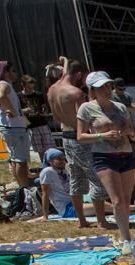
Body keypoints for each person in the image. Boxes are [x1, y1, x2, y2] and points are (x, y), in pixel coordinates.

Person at [77, 71, 135, 255]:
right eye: (102, 87)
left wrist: (129, 133)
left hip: (126, 154)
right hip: (104, 156)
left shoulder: (120, 107)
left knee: (126, 199)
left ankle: (126, 235)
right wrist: (102, 135)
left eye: (108, 85)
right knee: (117, 200)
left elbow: (134, 134)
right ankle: (126, 239)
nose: (107, 89)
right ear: (92, 90)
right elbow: (80, 136)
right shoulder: (86, 108)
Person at [47, 59, 110, 230]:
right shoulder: (76, 93)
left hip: (65, 136)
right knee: (96, 178)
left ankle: (81, 220)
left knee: (76, 178)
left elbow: (56, 117)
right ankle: (101, 221)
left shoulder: (52, 90)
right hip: (80, 138)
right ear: (80, 75)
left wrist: (65, 61)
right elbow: (84, 118)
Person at [36, 148, 135, 223]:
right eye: (58, 159)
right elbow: (45, 193)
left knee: (105, 206)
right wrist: (45, 215)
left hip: (77, 202)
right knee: (105, 206)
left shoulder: (64, 170)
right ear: (50, 161)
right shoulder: (47, 172)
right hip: (67, 209)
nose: (62, 160)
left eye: (63, 158)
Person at [0, 60, 30, 187]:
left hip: (11, 126)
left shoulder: (2, 84)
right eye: (13, 71)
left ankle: (22, 187)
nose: (15, 73)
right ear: (5, 72)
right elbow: (0, 96)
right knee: (21, 160)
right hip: (13, 127)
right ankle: (24, 188)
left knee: (16, 159)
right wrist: (11, 110)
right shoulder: (4, 84)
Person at [18, 74, 54, 165]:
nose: (32, 85)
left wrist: (44, 111)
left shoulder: (38, 94)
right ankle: (44, 165)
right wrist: (25, 110)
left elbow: (45, 107)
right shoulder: (19, 96)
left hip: (42, 123)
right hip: (31, 126)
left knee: (49, 146)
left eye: (33, 83)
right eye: (29, 83)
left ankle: (52, 164)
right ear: (23, 84)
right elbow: (16, 111)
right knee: (39, 149)